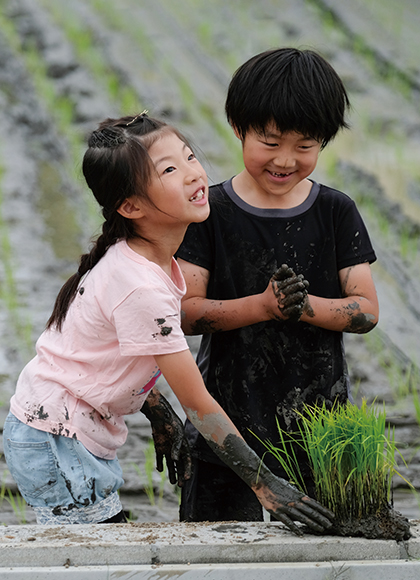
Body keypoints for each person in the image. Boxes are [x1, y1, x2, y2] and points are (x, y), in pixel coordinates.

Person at [2, 113, 333, 535]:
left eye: (190, 157)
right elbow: (199, 402)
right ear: (131, 206)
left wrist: (157, 411)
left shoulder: (141, 262)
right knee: (92, 554)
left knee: (100, 546)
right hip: (57, 439)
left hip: (57, 431)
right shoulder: (141, 285)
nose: (194, 174)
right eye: (170, 170)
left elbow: (99, 356)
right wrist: (264, 485)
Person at [176, 48, 379, 522]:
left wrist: (305, 307)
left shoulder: (335, 211)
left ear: (323, 143)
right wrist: (262, 306)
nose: (285, 159)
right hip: (226, 427)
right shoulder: (211, 213)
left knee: (318, 554)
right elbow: (185, 312)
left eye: (304, 146)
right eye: (269, 141)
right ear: (238, 128)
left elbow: (366, 309)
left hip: (318, 429)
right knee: (218, 553)